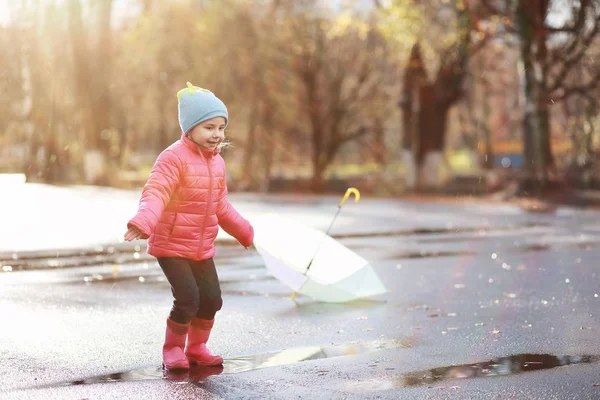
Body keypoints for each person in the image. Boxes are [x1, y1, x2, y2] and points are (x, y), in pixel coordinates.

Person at [124, 82, 254, 370]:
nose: (217, 134)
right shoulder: (172, 158)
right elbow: (156, 192)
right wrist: (143, 221)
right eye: (209, 127)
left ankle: (197, 347)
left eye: (221, 128)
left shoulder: (217, 163)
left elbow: (221, 205)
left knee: (211, 300)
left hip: (201, 245)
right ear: (190, 128)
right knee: (187, 299)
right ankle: (172, 349)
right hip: (170, 245)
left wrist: (244, 230)